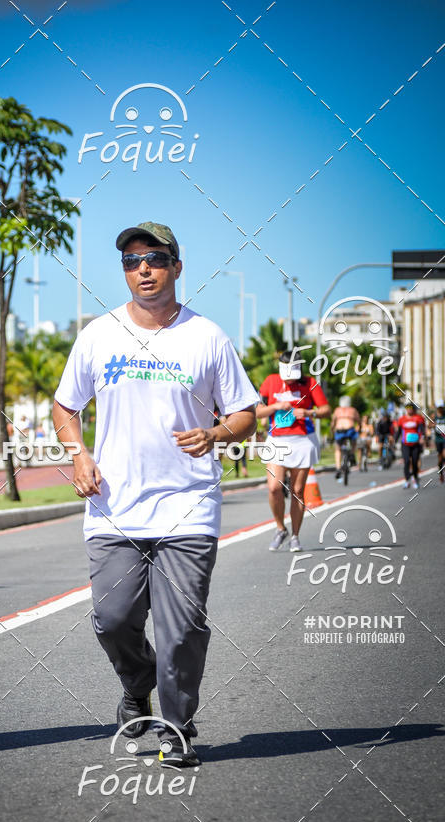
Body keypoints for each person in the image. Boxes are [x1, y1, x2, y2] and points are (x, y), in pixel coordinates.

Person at [52, 222, 258, 767]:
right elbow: (65, 406)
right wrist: (79, 454)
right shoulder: (99, 334)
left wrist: (214, 434)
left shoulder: (207, 337)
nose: (142, 268)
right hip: (114, 506)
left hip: (187, 505)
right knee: (113, 619)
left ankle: (177, 725)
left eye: (155, 258)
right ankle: (137, 682)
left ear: (176, 267)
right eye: (131, 260)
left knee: (182, 626)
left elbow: (244, 412)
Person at [257, 350, 331, 552]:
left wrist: (308, 412)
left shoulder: (309, 383)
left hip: (303, 440)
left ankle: (295, 536)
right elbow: (257, 411)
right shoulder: (270, 381)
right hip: (277, 440)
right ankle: (281, 528)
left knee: (297, 491)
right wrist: (275, 407)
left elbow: (326, 410)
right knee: (274, 487)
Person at [397, 401, 425, 490]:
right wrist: (394, 440)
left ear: (413, 409)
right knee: (406, 462)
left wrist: (422, 438)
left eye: (411, 408)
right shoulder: (402, 419)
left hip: (416, 444)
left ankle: (415, 479)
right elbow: (398, 431)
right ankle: (406, 480)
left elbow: (422, 430)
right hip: (405, 444)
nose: (409, 410)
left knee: (414, 462)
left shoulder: (418, 418)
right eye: (407, 408)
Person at [331, 395, 360, 479]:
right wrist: (359, 428)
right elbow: (358, 421)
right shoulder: (352, 410)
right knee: (354, 442)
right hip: (350, 429)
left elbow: (333, 422)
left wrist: (332, 430)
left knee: (338, 449)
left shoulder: (337, 410)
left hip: (339, 430)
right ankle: (351, 454)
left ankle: (338, 468)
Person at [434, 401, 445, 484]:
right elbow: (429, 425)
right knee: (440, 458)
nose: (440, 409)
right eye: (439, 407)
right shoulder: (434, 416)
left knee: (444, 454)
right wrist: (432, 425)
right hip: (438, 439)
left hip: (444, 439)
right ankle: (441, 473)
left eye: (442, 407)